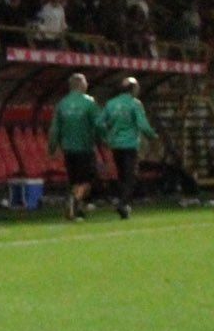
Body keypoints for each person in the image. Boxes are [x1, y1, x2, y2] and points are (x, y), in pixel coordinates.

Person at [100, 76, 158, 218]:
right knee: (130, 176)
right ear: (133, 89)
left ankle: (124, 207)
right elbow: (143, 125)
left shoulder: (110, 104)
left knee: (121, 176)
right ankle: (123, 203)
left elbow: (99, 123)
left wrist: (105, 138)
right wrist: (153, 136)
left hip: (115, 145)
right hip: (130, 145)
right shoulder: (135, 104)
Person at [49, 73, 102, 221]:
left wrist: (52, 147)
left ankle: (77, 211)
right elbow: (98, 124)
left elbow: (54, 129)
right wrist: (104, 139)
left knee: (75, 180)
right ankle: (73, 200)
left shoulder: (62, 103)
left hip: (68, 149)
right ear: (81, 84)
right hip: (84, 147)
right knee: (88, 179)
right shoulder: (89, 103)